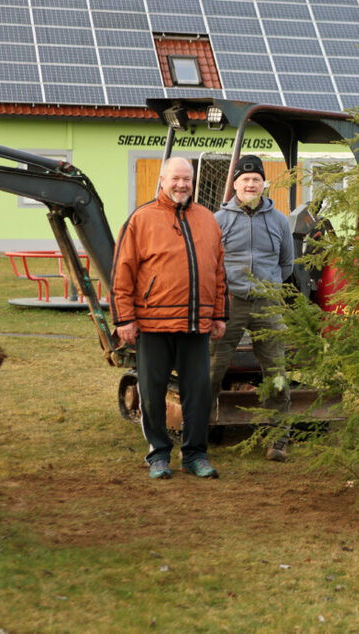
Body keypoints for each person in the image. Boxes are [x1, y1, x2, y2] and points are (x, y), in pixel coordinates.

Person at [112, 156, 228, 480]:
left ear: (194, 182)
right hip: (153, 324)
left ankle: (195, 455)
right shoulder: (141, 220)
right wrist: (124, 319)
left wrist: (219, 314)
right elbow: (122, 274)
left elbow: (219, 272)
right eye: (175, 178)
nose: (181, 185)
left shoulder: (207, 219)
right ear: (162, 180)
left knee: (198, 394)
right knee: (152, 394)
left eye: (187, 179)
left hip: (196, 324)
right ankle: (159, 455)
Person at [209, 155, 295, 462]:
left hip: (267, 305)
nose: (250, 184)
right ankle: (200, 435)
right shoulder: (218, 220)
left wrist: (267, 287)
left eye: (256, 179)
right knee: (213, 369)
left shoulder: (280, 221)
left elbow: (286, 264)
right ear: (234, 185)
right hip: (230, 304)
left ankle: (278, 440)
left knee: (276, 371)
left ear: (263, 184)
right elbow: (211, 264)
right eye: (245, 180)